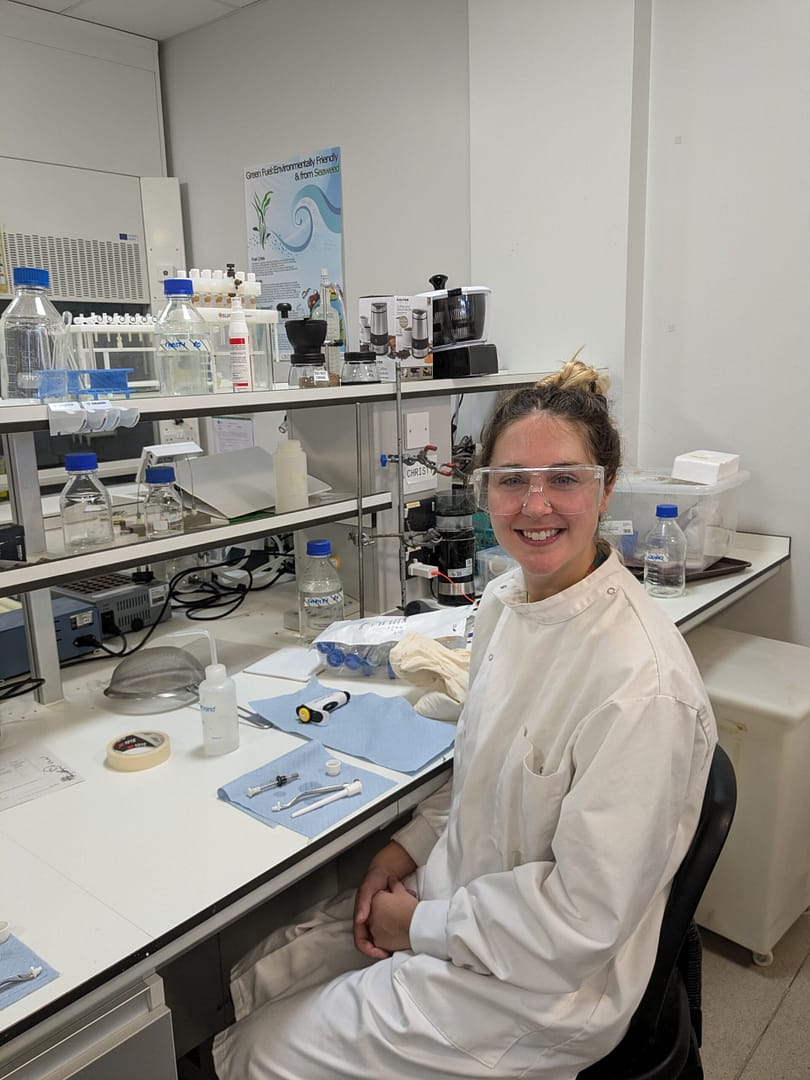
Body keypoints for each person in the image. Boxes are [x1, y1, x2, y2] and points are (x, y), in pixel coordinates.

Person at [213, 358, 717, 1080]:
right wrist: (406, 848)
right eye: (512, 479)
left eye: (564, 478)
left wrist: (415, 924)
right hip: (468, 895)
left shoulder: (642, 685)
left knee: (265, 1054)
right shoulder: (511, 604)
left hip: (541, 985)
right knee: (266, 971)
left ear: (604, 490)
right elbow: (479, 765)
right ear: (483, 492)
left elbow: (580, 923)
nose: (535, 504)